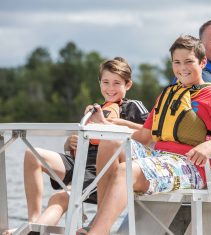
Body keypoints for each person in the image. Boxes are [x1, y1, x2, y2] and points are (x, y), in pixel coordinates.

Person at [76, 35, 211, 234]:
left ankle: (97, 232)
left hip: (191, 167)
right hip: (159, 158)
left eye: (189, 61)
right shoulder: (168, 94)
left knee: (124, 170)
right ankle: (98, 223)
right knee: (110, 142)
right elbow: (145, 136)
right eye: (177, 62)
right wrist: (105, 125)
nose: (183, 68)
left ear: (203, 62)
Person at [1, 57, 148, 235]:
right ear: (99, 83)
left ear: (128, 85)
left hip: (102, 170)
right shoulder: (95, 109)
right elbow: (80, 142)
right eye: (106, 82)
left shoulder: (132, 107)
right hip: (81, 162)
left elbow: (149, 133)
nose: (110, 88)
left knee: (62, 197)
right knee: (33, 155)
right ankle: (33, 222)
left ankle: (38, 231)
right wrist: (69, 143)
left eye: (116, 83)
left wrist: (115, 123)